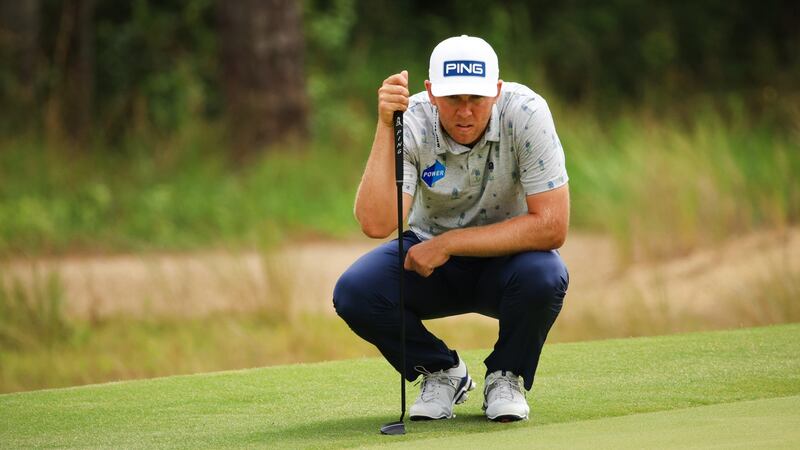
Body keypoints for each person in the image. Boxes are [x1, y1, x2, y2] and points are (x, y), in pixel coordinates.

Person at [333, 35, 569, 422]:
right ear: (430, 92)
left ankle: (505, 376)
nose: (464, 112)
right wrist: (383, 125)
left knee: (546, 274)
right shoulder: (411, 118)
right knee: (356, 292)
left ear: (495, 91)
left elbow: (552, 226)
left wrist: (451, 243)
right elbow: (376, 223)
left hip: (509, 264)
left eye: (476, 99)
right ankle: (442, 372)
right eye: (452, 99)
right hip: (430, 263)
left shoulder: (526, 112)